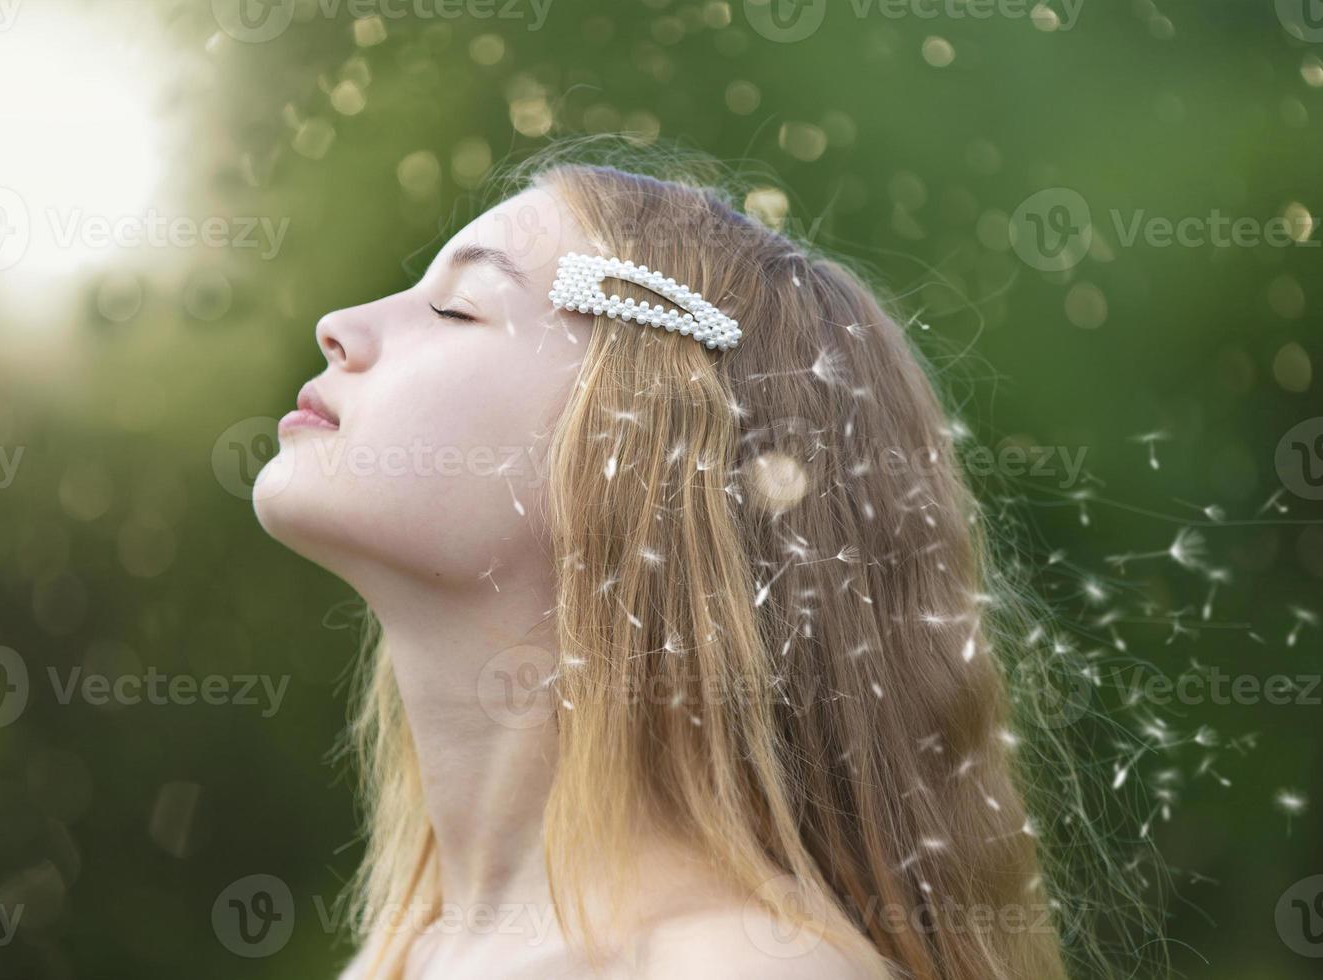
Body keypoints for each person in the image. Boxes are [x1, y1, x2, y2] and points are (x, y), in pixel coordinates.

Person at [254, 153, 1075, 979]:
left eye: (458, 308)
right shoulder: (400, 962)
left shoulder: (746, 968)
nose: (341, 324)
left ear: (640, 452)